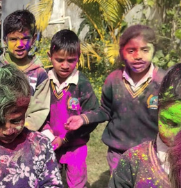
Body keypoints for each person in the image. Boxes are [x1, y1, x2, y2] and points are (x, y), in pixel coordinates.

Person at [66, 25, 166, 173]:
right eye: (131, 51)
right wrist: (83, 119)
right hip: (118, 153)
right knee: (120, 187)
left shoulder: (164, 82)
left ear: (154, 50)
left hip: (151, 154)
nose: (138, 56)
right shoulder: (113, 80)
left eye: (145, 50)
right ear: (122, 52)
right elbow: (105, 110)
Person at [41, 29, 101, 188]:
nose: (65, 65)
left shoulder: (82, 84)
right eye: (60, 59)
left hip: (75, 147)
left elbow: (94, 115)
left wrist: (65, 138)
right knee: (52, 186)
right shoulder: (43, 81)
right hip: (50, 147)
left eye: (71, 60)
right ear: (50, 56)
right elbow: (37, 112)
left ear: (78, 58)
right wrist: (47, 132)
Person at [0, 10, 51, 145]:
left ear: (33, 39)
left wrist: (19, 129)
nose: (20, 44)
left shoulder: (40, 74)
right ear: (5, 40)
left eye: (25, 38)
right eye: (13, 39)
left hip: (26, 138)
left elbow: (40, 110)